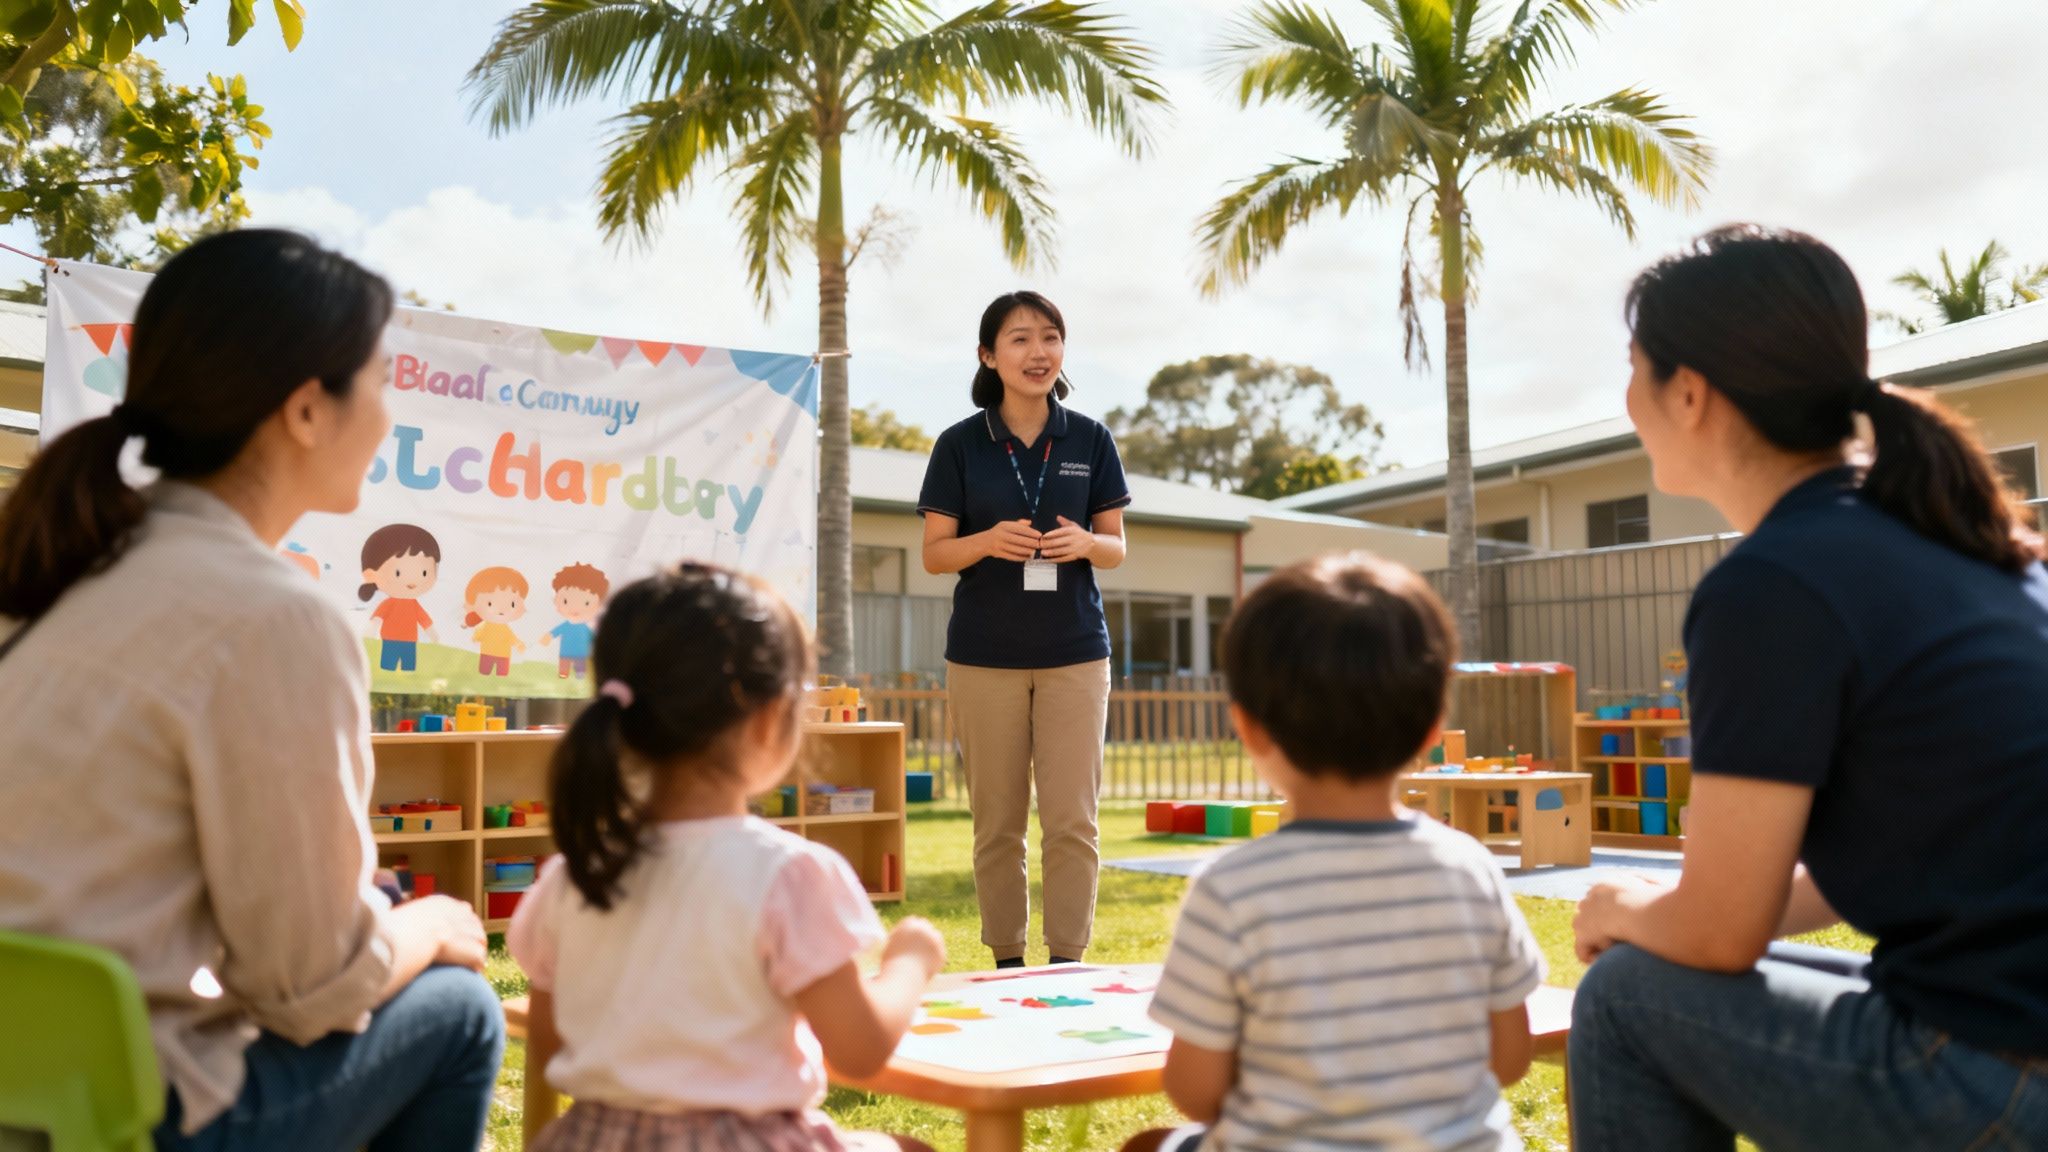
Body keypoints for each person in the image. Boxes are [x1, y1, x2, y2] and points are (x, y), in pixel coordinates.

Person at [0, 229, 503, 1151]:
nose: (389, 417)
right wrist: (430, 924)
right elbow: (310, 990)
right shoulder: (276, 618)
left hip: (23, 1093)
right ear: (307, 409)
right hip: (131, 1114)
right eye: (382, 383)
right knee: (461, 1007)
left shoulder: (60, 574)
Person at [1569, 224, 2048, 1150]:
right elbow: (1896, 843)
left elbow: (1717, 934)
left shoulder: (1775, 584)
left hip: (2001, 1074)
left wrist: (1624, 908)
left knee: (1628, 995)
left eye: (1635, 369)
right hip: (2016, 1041)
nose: (1628, 402)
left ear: (1692, 391)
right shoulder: (1958, 539)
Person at [507, 562, 945, 1152]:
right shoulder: (788, 874)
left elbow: (553, 1044)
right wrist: (910, 964)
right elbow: (861, 1051)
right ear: (769, 719)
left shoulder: (572, 875)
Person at [1128, 554, 1543, 1152]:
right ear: (1433, 728)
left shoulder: (1231, 888)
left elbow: (1196, 1090)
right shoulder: (1470, 868)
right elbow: (1509, 1057)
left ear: (1247, 727)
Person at [917, 290, 1131, 968]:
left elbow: (1117, 545)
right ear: (988, 355)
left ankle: (1069, 958)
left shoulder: (1091, 439)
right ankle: (1006, 961)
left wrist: (1085, 546)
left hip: (1074, 653)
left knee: (1073, 821)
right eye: (1019, 339)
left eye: (1049, 337)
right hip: (984, 658)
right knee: (998, 825)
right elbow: (934, 555)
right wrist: (988, 541)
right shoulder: (959, 445)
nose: (1037, 352)